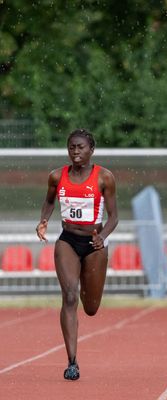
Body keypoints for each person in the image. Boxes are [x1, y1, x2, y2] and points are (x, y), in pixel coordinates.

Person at [35, 129, 118, 381]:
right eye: (71, 147)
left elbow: (114, 217)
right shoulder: (56, 176)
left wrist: (101, 237)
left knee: (90, 307)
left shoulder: (104, 177)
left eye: (81, 147)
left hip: (94, 245)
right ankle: (72, 362)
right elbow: (50, 201)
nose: (75, 152)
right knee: (69, 297)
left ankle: (86, 285)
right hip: (67, 241)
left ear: (91, 149)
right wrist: (43, 221)